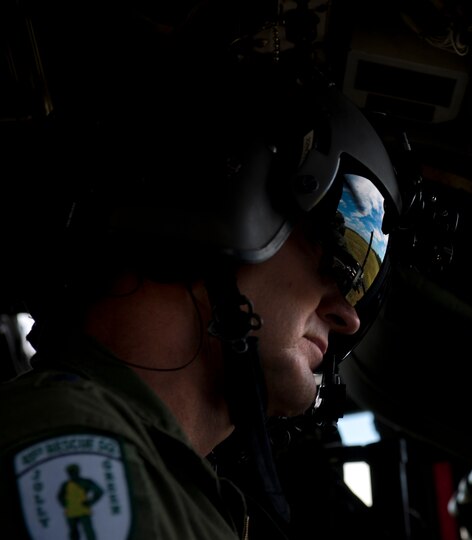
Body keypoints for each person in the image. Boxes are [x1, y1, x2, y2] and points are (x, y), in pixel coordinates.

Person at [0, 8, 406, 537]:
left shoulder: (170, 485)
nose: (349, 316)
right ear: (221, 201)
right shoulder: (70, 450)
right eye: (335, 253)